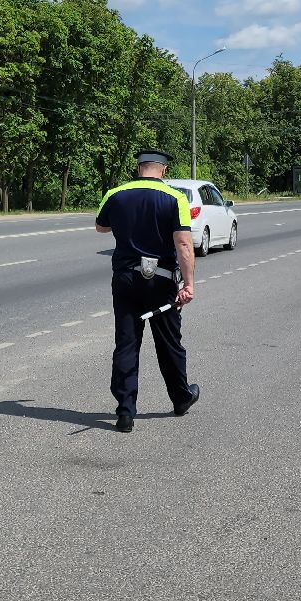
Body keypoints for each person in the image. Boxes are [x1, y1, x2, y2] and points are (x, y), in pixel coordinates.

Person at [95, 149, 198, 433]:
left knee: (127, 343)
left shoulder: (115, 193)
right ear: (163, 170)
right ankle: (181, 397)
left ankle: (125, 412)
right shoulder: (175, 198)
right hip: (161, 280)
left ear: (138, 168)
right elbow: (184, 245)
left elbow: (100, 227)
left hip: (125, 279)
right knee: (168, 342)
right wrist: (188, 284)